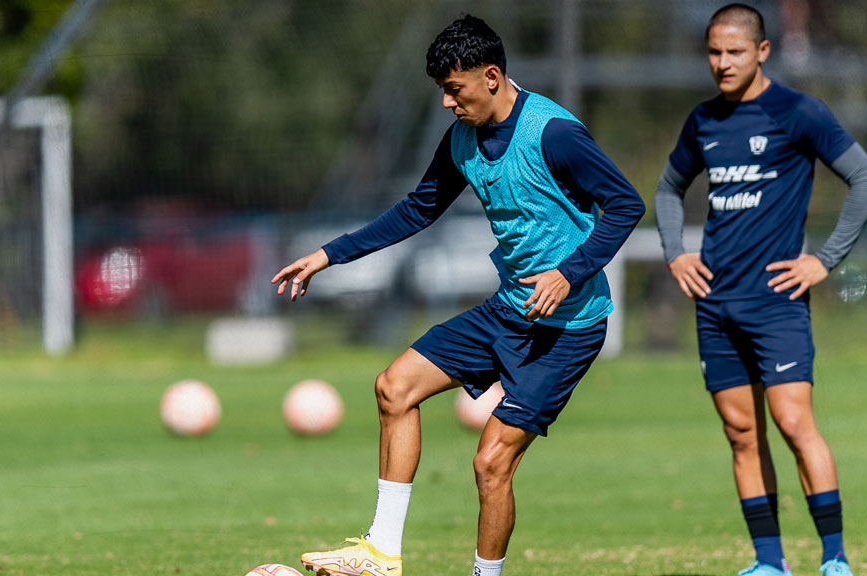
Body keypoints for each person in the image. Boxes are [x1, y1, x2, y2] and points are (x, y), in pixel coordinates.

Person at [272, 14, 644, 576]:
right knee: (394, 387)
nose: (447, 103)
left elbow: (624, 206)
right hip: (508, 309)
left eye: (454, 90)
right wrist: (331, 254)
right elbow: (419, 208)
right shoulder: (462, 139)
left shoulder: (555, 132)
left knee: (491, 464)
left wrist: (569, 272)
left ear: (491, 76)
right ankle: (380, 552)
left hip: (567, 329)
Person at [654, 4, 867, 576]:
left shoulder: (796, 111)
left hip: (776, 303)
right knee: (740, 433)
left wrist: (824, 260)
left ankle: (834, 559)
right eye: (714, 52)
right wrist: (675, 254)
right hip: (715, 305)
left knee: (792, 423)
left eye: (735, 51)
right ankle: (769, 563)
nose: (723, 63)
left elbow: (866, 180)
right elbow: (666, 189)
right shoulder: (703, 120)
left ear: (762, 52)